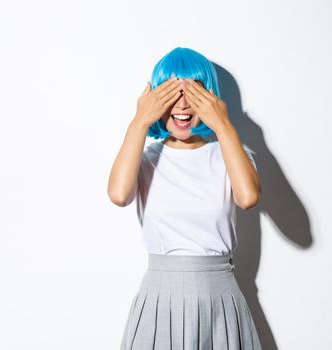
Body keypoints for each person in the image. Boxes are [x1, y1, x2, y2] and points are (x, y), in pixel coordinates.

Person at [108, 47, 263, 349]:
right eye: (170, 93)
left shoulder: (228, 156)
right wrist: (139, 121)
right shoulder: (146, 159)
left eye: (193, 93)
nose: (182, 105)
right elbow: (118, 194)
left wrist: (223, 124)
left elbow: (248, 198)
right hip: (159, 297)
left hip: (219, 295)